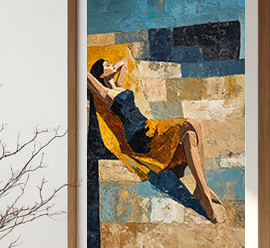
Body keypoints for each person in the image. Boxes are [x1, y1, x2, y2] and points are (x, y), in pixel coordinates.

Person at [87, 57, 222, 223]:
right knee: (191, 124)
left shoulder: (119, 87)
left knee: (190, 134)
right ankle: (202, 189)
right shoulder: (105, 93)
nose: (111, 65)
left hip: (148, 125)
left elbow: (125, 62)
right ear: (100, 76)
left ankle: (201, 188)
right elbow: (86, 76)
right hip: (139, 135)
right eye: (106, 65)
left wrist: (115, 67)